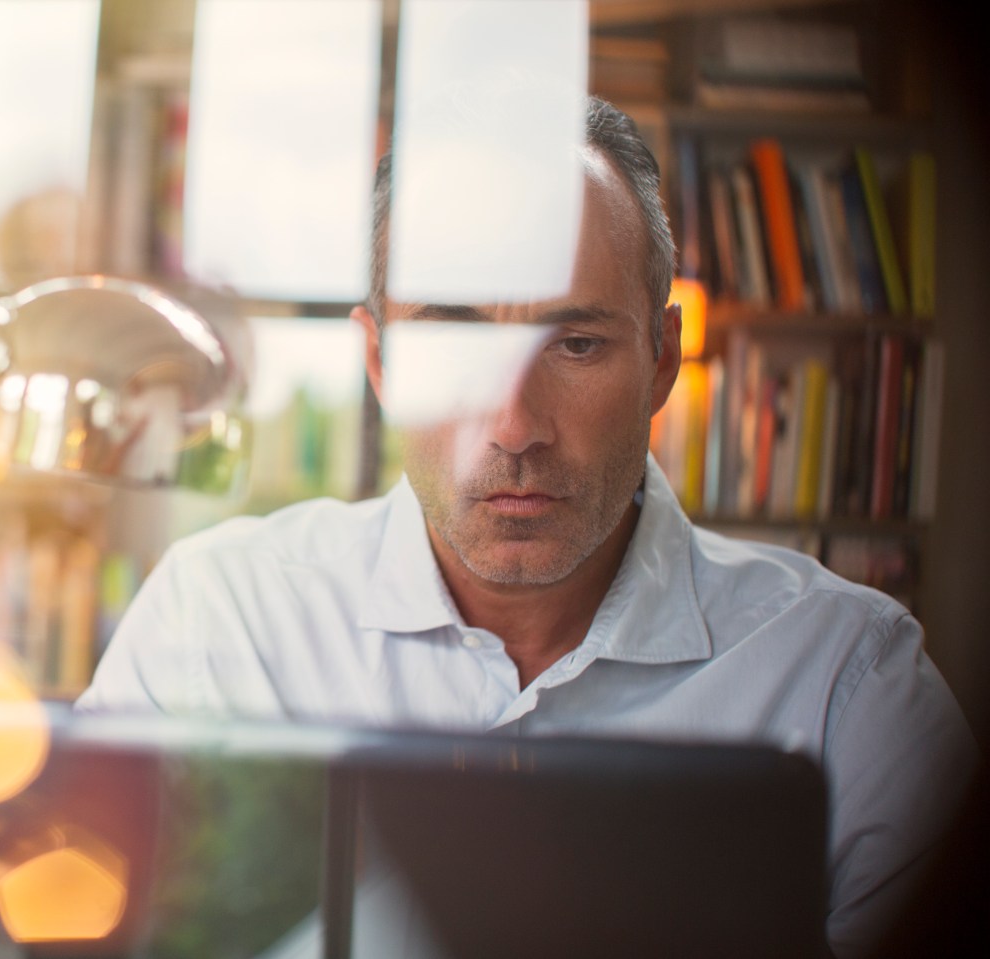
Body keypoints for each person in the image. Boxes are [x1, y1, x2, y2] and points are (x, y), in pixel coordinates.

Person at [78, 97, 980, 957]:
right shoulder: (217, 624)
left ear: (662, 360)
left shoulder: (846, 685)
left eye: (575, 343)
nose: (512, 426)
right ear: (380, 359)